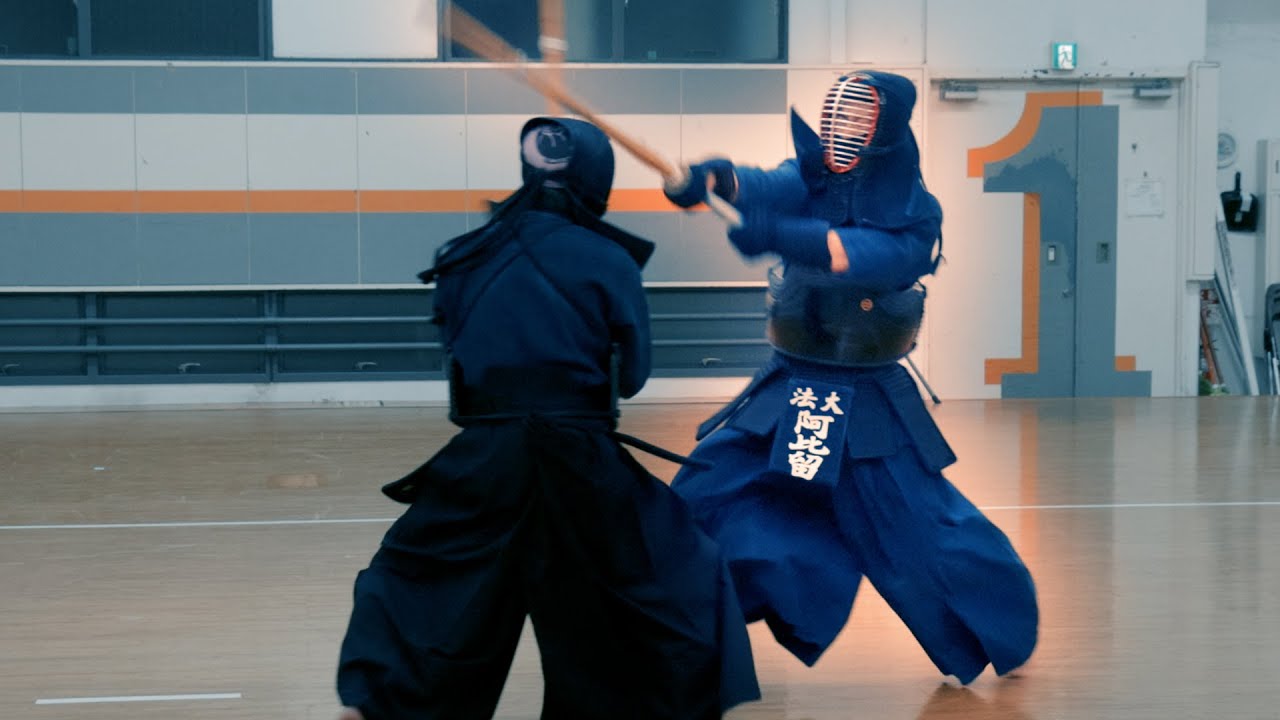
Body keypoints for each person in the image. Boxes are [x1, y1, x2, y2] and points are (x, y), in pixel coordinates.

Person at [336, 117, 760, 719]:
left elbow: (457, 357)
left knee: (427, 585)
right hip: (580, 460)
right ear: (596, 177)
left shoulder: (460, 256)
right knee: (669, 576)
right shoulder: (608, 259)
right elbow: (632, 377)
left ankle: (381, 701)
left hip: (483, 458)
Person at [663, 70, 1039, 685]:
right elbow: (765, 185)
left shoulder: (916, 215)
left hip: (864, 402)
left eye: (857, 118)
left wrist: (782, 235)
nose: (840, 128)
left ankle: (1002, 627)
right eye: (836, 114)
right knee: (708, 493)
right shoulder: (807, 178)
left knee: (922, 533)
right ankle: (680, 625)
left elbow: (862, 256)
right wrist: (717, 179)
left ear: (884, 131)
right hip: (789, 386)